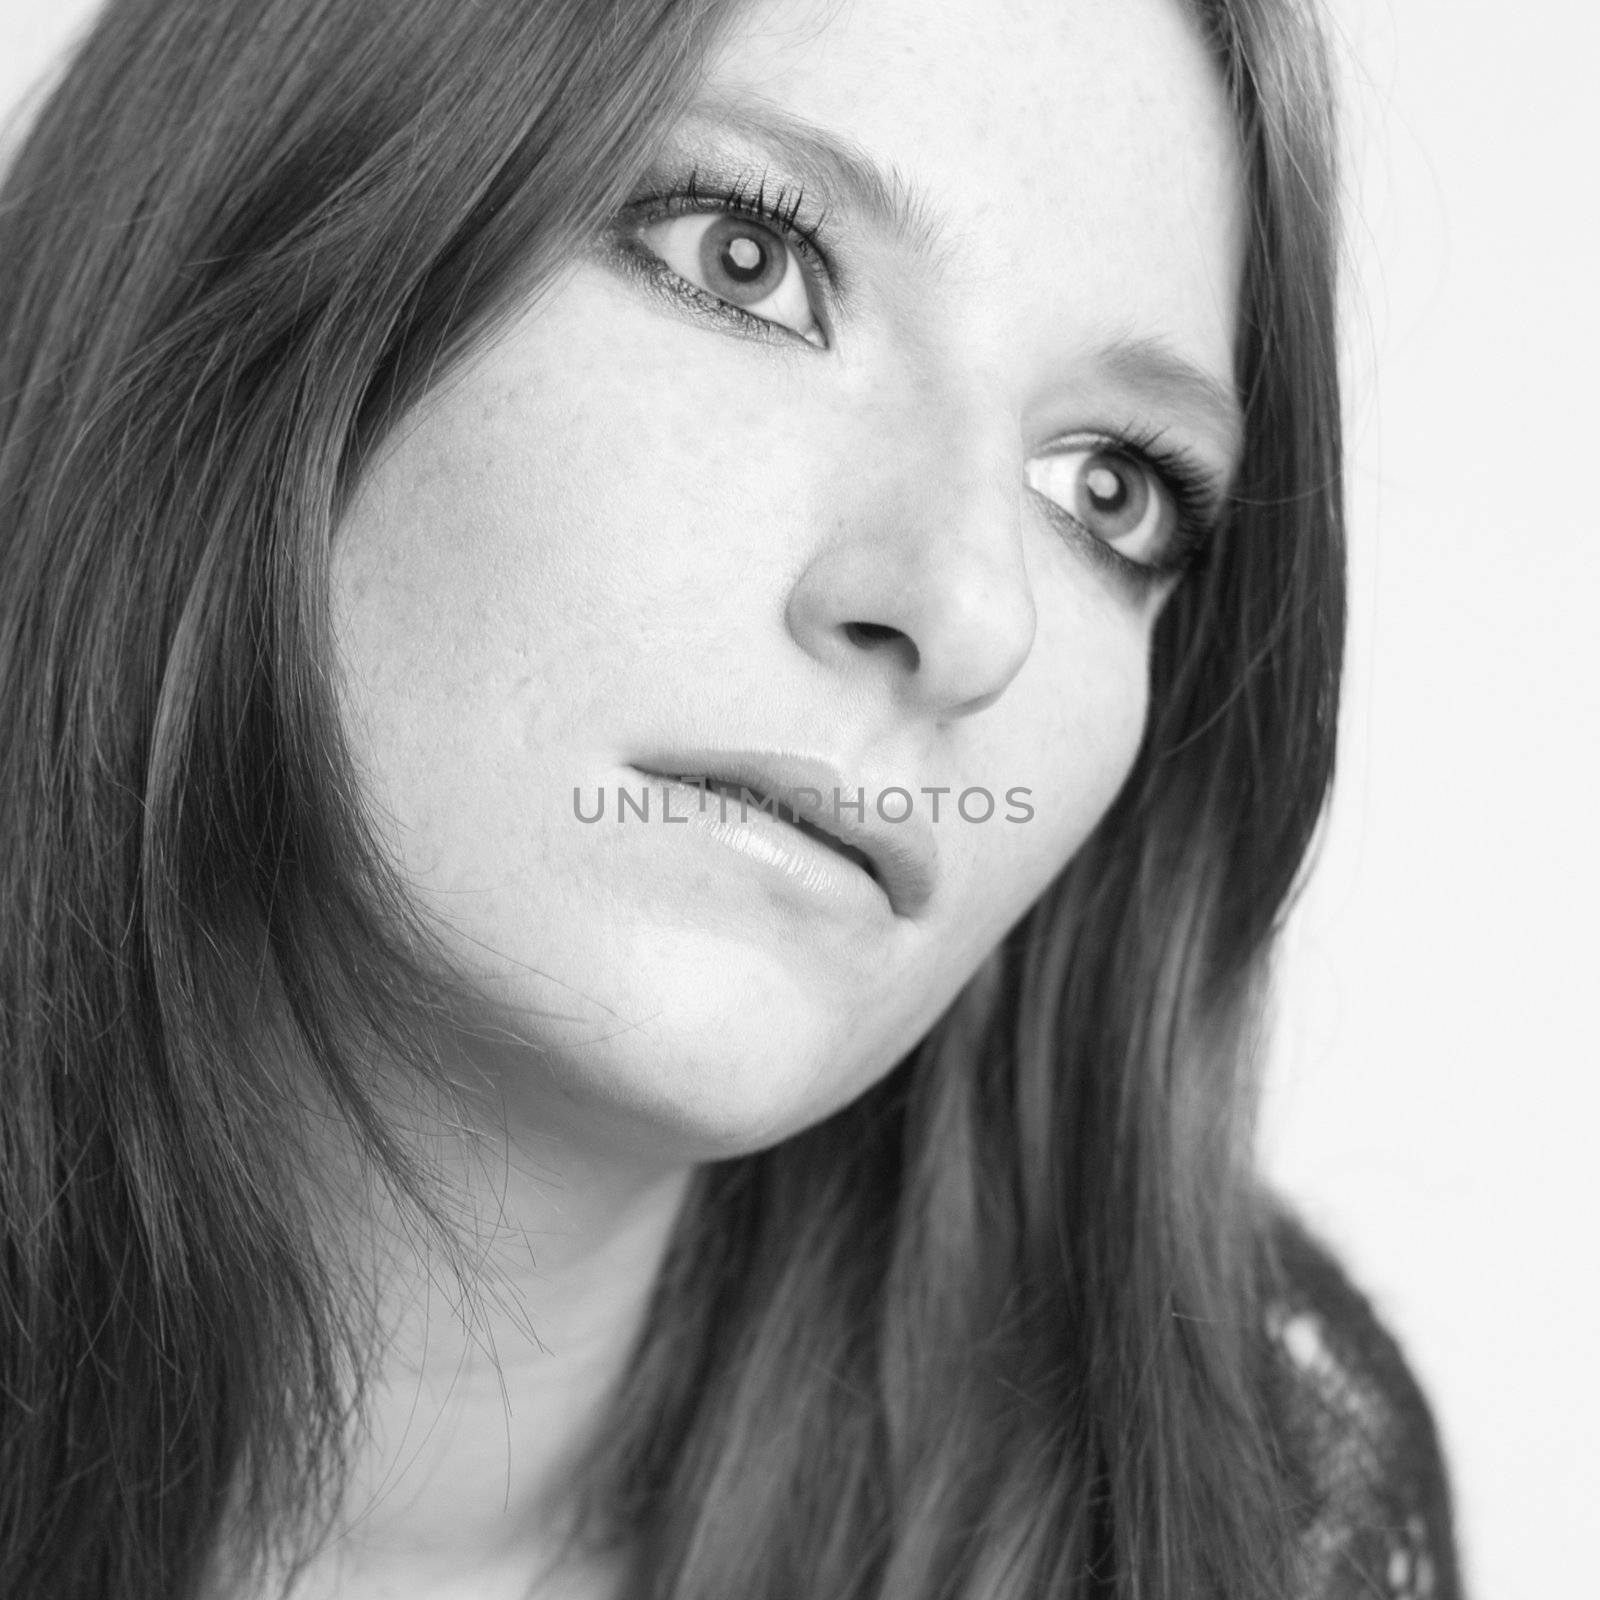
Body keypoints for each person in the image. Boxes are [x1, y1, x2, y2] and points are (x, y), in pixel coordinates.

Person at [0, 0, 1462, 1596]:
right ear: (251, 216)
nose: (973, 615)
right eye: (746, 260)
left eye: (1108, 488)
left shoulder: (1251, 1494)